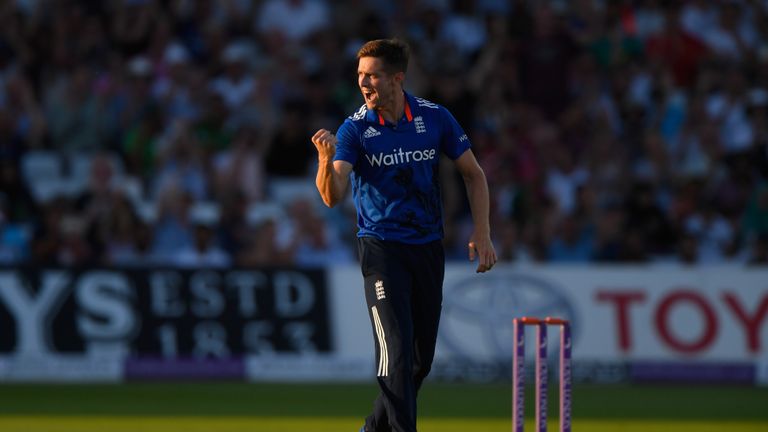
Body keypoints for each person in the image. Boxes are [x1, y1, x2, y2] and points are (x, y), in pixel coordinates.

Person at [311, 38, 497, 432]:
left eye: (373, 75)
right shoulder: (355, 129)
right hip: (381, 250)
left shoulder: (434, 118)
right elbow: (333, 196)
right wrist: (326, 160)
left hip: (428, 248)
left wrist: (483, 232)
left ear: (397, 78)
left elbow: (474, 175)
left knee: (418, 362)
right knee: (394, 353)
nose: (364, 83)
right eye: (360, 75)